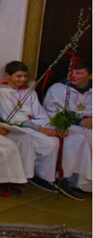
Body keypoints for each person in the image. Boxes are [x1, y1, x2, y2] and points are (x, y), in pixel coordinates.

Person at [0, 61, 85, 201]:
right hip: (18, 126)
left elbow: (40, 114)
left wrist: (52, 127)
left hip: (35, 123)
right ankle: (41, 176)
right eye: (18, 76)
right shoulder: (2, 93)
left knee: (60, 139)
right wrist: (39, 129)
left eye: (24, 76)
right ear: (8, 76)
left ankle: (55, 176)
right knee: (50, 143)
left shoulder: (29, 92)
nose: (22, 79)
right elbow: (10, 117)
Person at [42, 59, 92, 193]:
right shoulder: (59, 88)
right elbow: (53, 112)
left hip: (89, 125)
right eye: (72, 72)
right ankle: (74, 180)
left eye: (79, 73)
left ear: (90, 76)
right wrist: (79, 122)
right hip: (64, 124)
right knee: (81, 139)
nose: (73, 76)